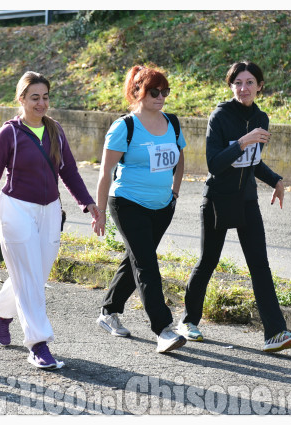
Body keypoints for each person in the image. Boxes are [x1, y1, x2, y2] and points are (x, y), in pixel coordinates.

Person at [178, 61, 291, 352]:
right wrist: (243, 141)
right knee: (208, 261)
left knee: (260, 265)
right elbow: (215, 164)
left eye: (249, 82)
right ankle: (187, 321)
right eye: (238, 83)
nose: (244, 88)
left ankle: (275, 333)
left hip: (247, 200)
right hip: (218, 199)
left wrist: (275, 180)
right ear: (231, 86)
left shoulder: (262, 117)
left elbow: (253, 162)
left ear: (260, 85)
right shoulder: (219, 116)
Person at [0, 71, 100, 369]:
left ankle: (0, 310)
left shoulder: (55, 130)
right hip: (16, 208)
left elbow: (68, 170)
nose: (41, 103)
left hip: (49, 210)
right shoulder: (9, 133)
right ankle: (38, 343)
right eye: (34, 98)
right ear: (21, 99)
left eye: (45, 97)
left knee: (36, 274)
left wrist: (88, 203)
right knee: (30, 276)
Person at [92, 65, 187, 353]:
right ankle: (163, 330)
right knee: (146, 264)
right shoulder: (125, 127)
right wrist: (99, 211)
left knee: (135, 259)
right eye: (154, 91)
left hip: (162, 205)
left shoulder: (172, 123)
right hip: (127, 203)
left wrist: (174, 194)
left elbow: (180, 160)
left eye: (164, 91)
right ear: (138, 92)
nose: (160, 96)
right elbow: (105, 171)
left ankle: (108, 311)